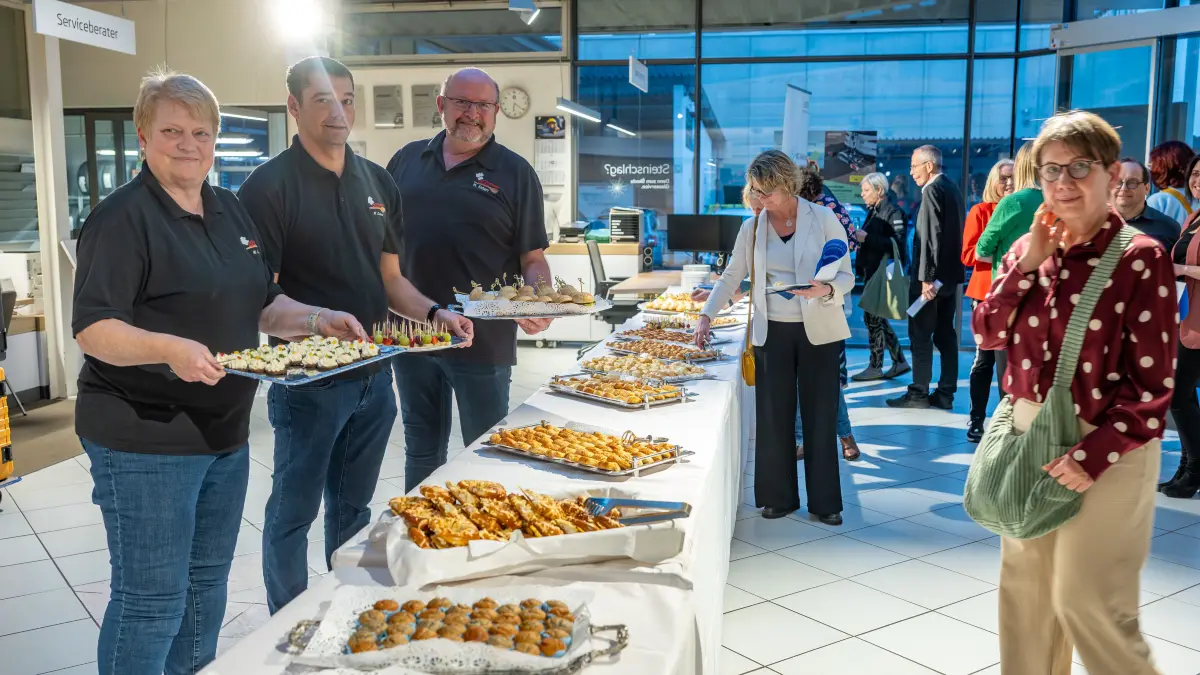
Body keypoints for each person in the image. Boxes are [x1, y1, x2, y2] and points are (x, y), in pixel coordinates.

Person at [72, 70, 367, 675]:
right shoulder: (122, 218)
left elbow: (263, 304)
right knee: (150, 600)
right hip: (145, 437)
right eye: (173, 131)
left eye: (201, 132)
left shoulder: (228, 208)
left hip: (224, 433)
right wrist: (170, 348)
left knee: (206, 588)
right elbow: (95, 330)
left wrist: (318, 319)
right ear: (143, 134)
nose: (188, 144)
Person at [237, 56, 471, 614]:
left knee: (356, 510)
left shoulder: (379, 182)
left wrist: (436, 313)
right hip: (309, 384)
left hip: (374, 379)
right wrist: (318, 320)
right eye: (322, 99)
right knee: (292, 514)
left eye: (345, 98)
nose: (337, 111)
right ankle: (287, 623)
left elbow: (391, 282)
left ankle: (350, 612)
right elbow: (259, 302)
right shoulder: (267, 188)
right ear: (294, 107)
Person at [973, 110, 1175, 675]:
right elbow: (987, 332)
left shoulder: (1140, 258)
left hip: (1108, 445)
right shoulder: (1026, 252)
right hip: (1025, 435)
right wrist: (1029, 261)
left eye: (1079, 167)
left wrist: (1092, 456)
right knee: (1028, 605)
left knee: (1089, 603)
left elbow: (1154, 385)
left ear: (1111, 173)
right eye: (1050, 169)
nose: (1062, 182)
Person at [386, 67, 552, 491]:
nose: (472, 114)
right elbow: (381, 251)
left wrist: (539, 299)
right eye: (462, 102)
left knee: (486, 449)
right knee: (421, 447)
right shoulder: (405, 161)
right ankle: (422, 534)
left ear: (496, 113)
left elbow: (532, 258)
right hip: (414, 333)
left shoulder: (515, 173)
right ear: (442, 105)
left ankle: (482, 541)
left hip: (484, 339)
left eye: (483, 105)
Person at [695, 150, 852, 525]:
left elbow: (846, 274)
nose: (761, 200)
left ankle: (825, 502)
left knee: (819, 415)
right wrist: (706, 315)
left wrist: (825, 291)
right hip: (772, 331)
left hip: (821, 331)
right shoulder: (752, 227)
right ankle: (778, 497)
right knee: (773, 416)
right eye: (756, 192)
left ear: (786, 185)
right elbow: (733, 276)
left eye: (767, 192)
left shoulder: (824, 217)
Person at [887, 145, 965, 409]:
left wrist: (926, 280)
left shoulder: (932, 190)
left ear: (929, 166)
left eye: (914, 166)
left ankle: (918, 393)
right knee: (946, 335)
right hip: (949, 279)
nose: (911, 172)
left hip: (930, 282)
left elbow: (930, 238)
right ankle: (945, 394)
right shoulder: (952, 189)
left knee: (920, 335)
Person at [796, 166, 860, 462]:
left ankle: (845, 434)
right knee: (798, 377)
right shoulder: (785, 216)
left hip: (823, 298)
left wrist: (827, 282)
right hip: (793, 304)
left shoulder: (825, 210)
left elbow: (847, 247)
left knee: (826, 376)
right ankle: (802, 438)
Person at [961, 159, 1015, 442]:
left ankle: (1007, 421)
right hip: (985, 293)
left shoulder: (1022, 207)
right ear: (993, 181)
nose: (1009, 183)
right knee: (985, 360)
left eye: (1014, 177)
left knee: (1013, 362)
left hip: (1017, 293)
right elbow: (969, 255)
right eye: (1004, 177)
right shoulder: (980, 211)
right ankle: (977, 419)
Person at [850, 171, 910, 382]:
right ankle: (898, 360)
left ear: (879, 190)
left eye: (866, 190)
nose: (863, 195)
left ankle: (876, 365)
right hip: (872, 272)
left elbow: (897, 245)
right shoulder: (874, 211)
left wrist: (867, 238)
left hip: (881, 274)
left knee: (873, 318)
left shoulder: (893, 212)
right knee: (875, 318)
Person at [1165, 203, 1200, 498]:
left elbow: (1182, 266)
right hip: (1185, 316)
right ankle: (1186, 468)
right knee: (1183, 395)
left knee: (1177, 395)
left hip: (1198, 321)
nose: (1199, 181)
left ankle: (1195, 470)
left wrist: (1182, 269)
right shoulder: (1193, 218)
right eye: (1196, 174)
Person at [1112, 157, 1182, 251]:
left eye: (1132, 182)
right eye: (1118, 182)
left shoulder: (1168, 227)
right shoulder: (1093, 222)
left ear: (1146, 188)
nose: (1123, 188)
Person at [1147, 140, 1197, 226]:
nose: (1150, 169)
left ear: (1161, 167)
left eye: (1152, 164)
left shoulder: (1159, 200)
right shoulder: (1196, 198)